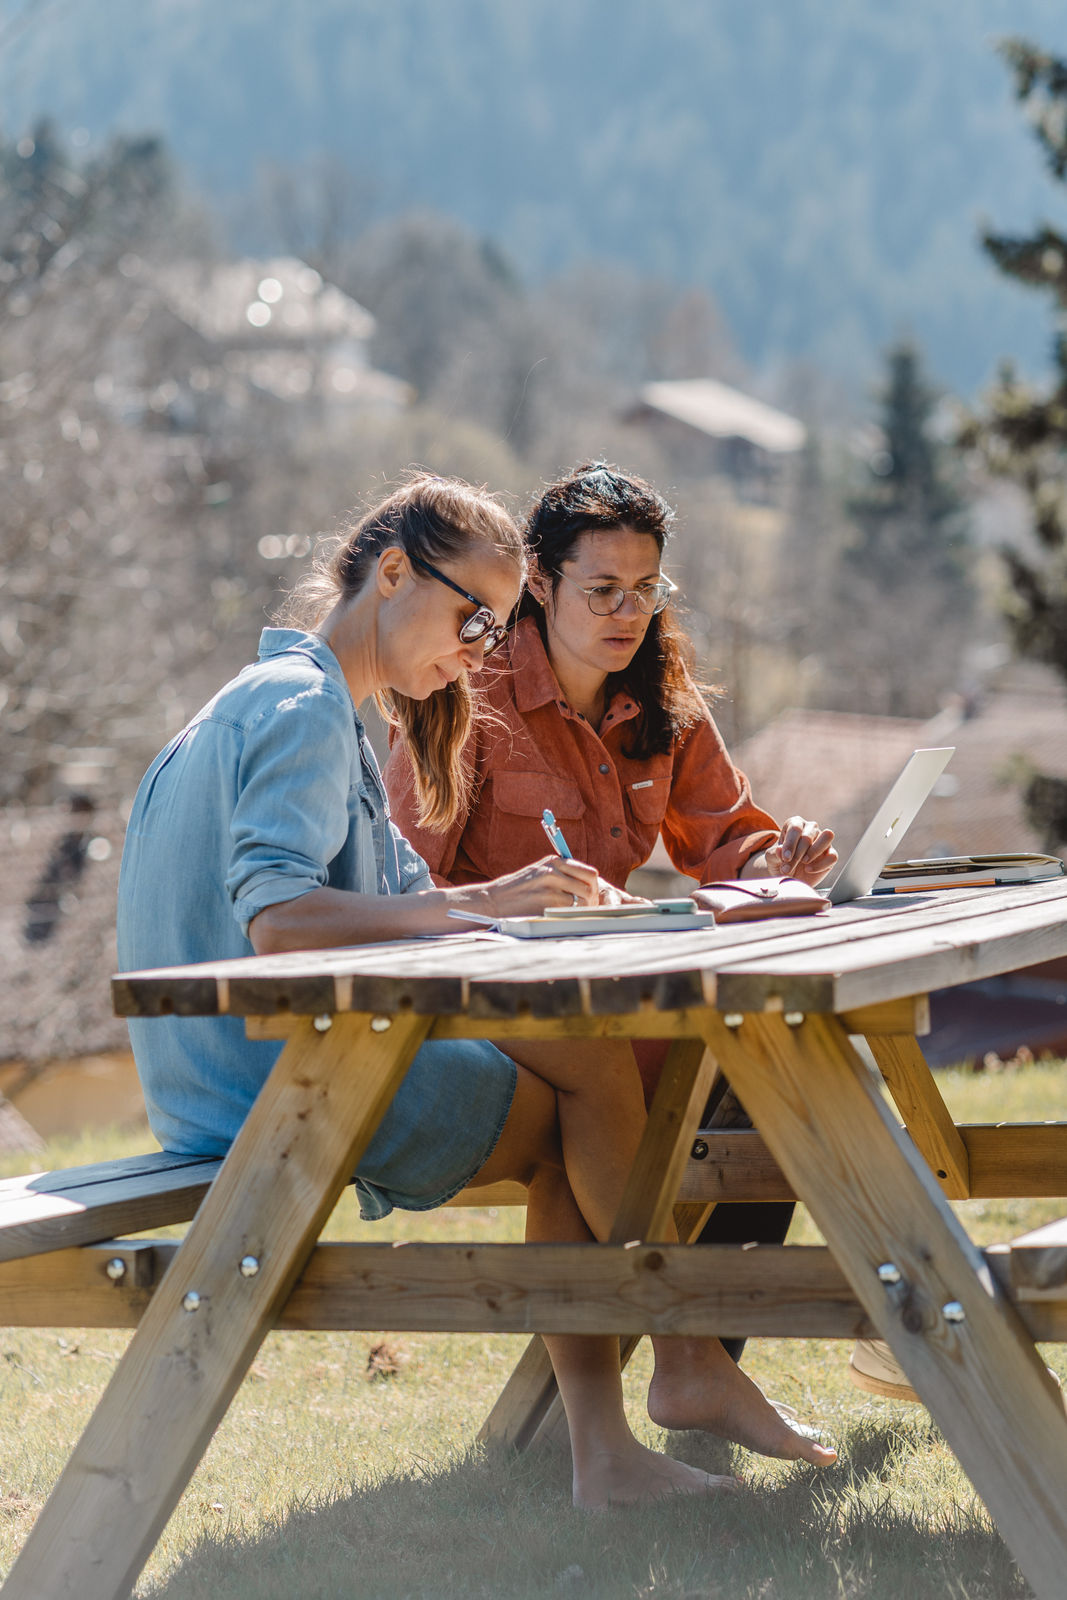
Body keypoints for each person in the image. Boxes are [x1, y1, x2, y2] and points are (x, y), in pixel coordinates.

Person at [117, 474, 832, 1515]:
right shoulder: (306, 707)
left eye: (493, 625)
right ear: (392, 572)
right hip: (269, 1084)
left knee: (590, 1072)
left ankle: (620, 1435)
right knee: (589, 1081)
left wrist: (503, 901)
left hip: (218, 1075)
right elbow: (279, 916)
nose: (477, 648)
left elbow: (409, 898)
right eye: (468, 616)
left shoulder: (298, 706)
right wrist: (489, 899)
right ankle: (670, 1368)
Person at [383, 460, 839, 1364]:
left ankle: (706, 1368)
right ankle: (693, 1365)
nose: (627, 612)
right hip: (496, 1013)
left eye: (644, 589)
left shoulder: (662, 701)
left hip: (615, 1005)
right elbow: (395, 894)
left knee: (781, 1069)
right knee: (718, 1074)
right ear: (539, 585)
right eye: (601, 590)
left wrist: (776, 858)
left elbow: (723, 842)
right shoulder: (462, 697)